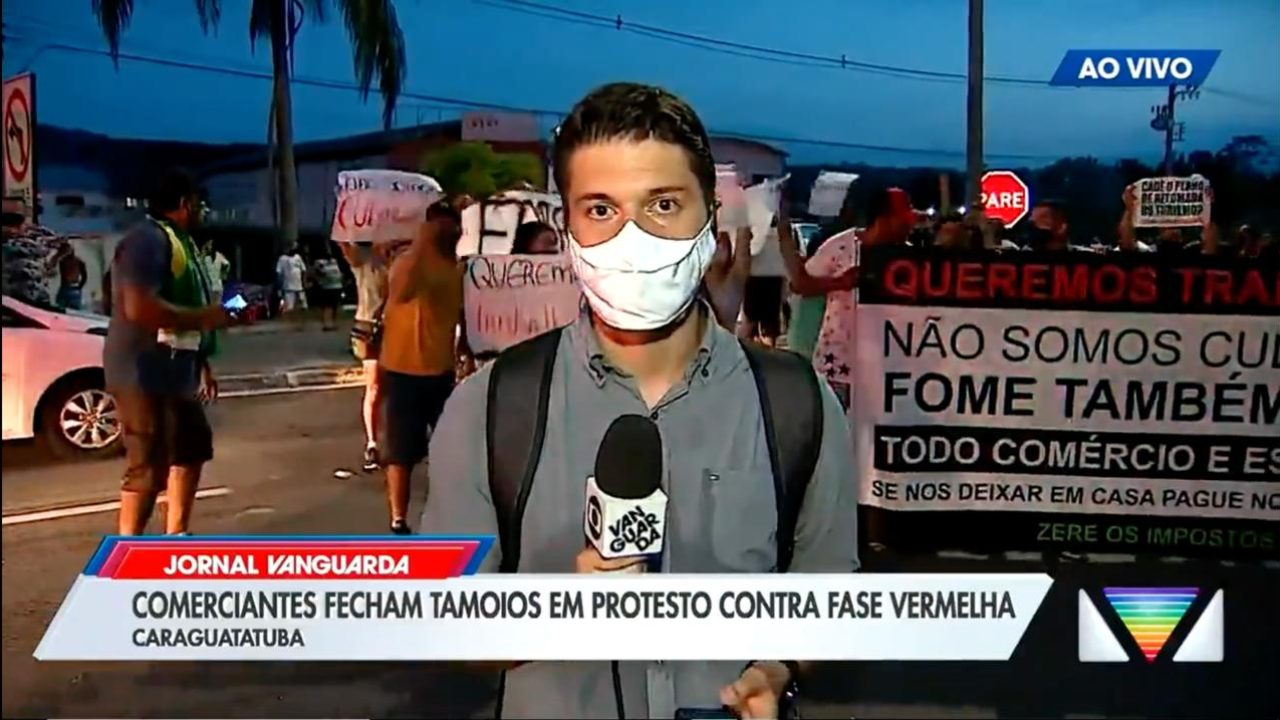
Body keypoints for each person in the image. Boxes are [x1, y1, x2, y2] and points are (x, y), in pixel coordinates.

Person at [421, 82, 856, 720]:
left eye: (662, 205)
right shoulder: (488, 408)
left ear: (710, 220)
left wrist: (778, 666)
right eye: (600, 210)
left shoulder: (798, 405)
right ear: (565, 230)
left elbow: (828, 587)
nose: (633, 239)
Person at [104, 168, 236, 535]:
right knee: (148, 466)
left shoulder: (184, 244)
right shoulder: (147, 240)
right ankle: (128, 553)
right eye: (199, 204)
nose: (203, 211)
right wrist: (207, 317)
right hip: (143, 372)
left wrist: (204, 360)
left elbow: (196, 302)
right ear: (183, 204)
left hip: (178, 370)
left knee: (192, 448)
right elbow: (139, 307)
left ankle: (177, 535)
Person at [379, 202, 472, 534]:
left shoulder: (457, 269)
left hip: (441, 372)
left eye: (453, 226)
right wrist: (422, 239)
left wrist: (466, 351)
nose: (449, 233)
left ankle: (450, 511)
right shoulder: (409, 264)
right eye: (441, 227)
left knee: (452, 448)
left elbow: (461, 316)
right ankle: (398, 520)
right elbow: (400, 292)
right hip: (404, 372)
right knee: (401, 452)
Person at [340, 241, 389, 471]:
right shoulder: (362, 262)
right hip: (368, 327)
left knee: (395, 386)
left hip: (394, 326)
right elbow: (343, 242)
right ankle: (372, 442)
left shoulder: (400, 262)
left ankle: (392, 438)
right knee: (375, 386)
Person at [312, 246, 345, 331]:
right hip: (326, 287)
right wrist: (320, 280)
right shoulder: (319, 262)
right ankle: (326, 324)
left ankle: (333, 323)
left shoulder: (334, 261)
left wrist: (341, 277)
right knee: (327, 306)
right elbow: (316, 273)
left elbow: (339, 271)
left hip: (337, 285)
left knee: (335, 306)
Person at [275, 245, 308, 316]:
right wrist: (279, 285)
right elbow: (278, 273)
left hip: (299, 286)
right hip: (288, 287)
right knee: (289, 308)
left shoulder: (298, 257)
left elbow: (303, 270)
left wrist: (304, 282)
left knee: (303, 307)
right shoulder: (282, 259)